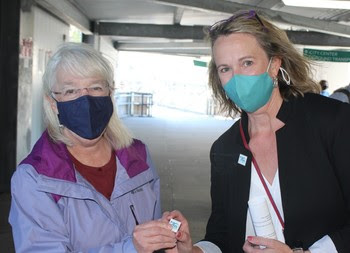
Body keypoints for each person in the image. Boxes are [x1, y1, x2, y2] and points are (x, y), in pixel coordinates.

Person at [168, 9, 350, 253]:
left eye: (247, 63)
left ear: (274, 65)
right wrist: (192, 251)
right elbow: (221, 235)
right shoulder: (225, 148)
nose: (236, 78)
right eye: (225, 69)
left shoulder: (331, 121)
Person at [9, 42, 177, 252]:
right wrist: (129, 249)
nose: (85, 99)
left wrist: (169, 237)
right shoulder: (34, 178)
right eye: (71, 90)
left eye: (96, 87)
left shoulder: (138, 156)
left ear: (110, 93)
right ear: (53, 103)